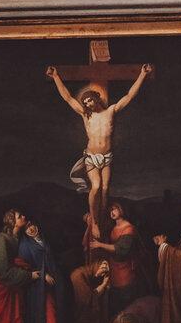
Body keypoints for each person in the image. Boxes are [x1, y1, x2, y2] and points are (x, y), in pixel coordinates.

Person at [47, 63, 153, 227]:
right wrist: (55, 77)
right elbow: (68, 97)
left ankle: (102, 218)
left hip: (107, 157)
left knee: (105, 190)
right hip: (92, 157)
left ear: (96, 98)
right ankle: (95, 221)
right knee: (95, 187)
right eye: (86, 102)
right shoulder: (86, 115)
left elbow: (130, 96)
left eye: (90, 100)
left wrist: (142, 75)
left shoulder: (111, 111)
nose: (88, 104)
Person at [86, 201, 146, 319]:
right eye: (110, 211)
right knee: (114, 304)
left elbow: (121, 249)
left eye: (114, 209)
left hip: (125, 271)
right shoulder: (113, 227)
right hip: (113, 269)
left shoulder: (129, 229)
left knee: (124, 303)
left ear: (121, 210)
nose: (112, 212)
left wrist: (100, 245)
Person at [15, 222, 60, 323]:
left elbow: (52, 263)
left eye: (33, 225)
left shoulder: (43, 241)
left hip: (49, 290)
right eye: (27, 228)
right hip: (36, 292)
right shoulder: (24, 246)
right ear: (24, 231)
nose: (31, 229)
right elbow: (25, 268)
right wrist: (43, 275)